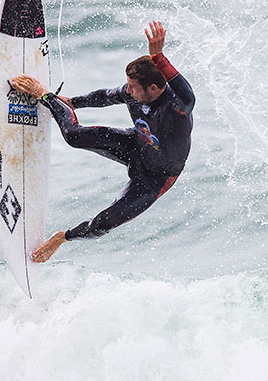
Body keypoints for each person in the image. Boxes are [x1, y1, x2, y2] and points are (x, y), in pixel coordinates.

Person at [10, 20, 194, 262]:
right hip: (134, 145)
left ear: (152, 88)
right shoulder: (134, 94)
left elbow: (188, 95)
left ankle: (60, 238)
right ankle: (44, 95)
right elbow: (105, 96)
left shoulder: (176, 107)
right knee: (74, 136)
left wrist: (158, 56)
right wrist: (72, 102)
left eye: (133, 88)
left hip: (155, 178)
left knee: (104, 223)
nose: (127, 92)